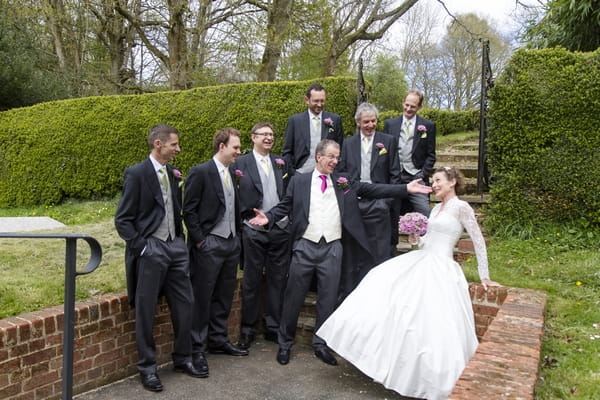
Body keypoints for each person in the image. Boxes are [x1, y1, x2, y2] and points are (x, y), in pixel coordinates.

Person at [316, 166, 500, 400]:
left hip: (442, 267)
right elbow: (426, 243)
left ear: (452, 182)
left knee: (432, 320)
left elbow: (478, 240)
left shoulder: (461, 207)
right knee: (380, 281)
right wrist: (415, 237)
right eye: (433, 181)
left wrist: (484, 275)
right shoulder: (434, 210)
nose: (434, 185)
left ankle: (434, 376)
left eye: (438, 180)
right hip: (423, 259)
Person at [248, 139, 432, 367]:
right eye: (331, 157)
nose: (335, 161)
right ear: (318, 156)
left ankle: (320, 344)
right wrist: (269, 217)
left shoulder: (343, 182)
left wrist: (405, 189)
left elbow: (373, 189)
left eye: (337, 157)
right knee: (293, 297)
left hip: (333, 248)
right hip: (305, 246)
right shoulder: (299, 181)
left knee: (327, 299)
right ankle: (285, 343)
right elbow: (285, 205)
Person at [114, 124, 204, 392]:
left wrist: (179, 240)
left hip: (175, 247)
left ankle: (183, 358)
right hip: (151, 249)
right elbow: (123, 220)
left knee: (185, 305)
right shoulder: (137, 173)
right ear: (158, 144)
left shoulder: (171, 172)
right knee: (145, 310)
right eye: (174, 144)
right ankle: (147, 367)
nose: (178, 149)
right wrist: (143, 247)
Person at [183, 127, 248, 377]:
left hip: (231, 244)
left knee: (224, 295)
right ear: (222, 146)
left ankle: (219, 340)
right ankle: (196, 348)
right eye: (235, 148)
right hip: (210, 245)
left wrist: (237, 239)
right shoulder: (200, 172)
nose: (238, 153)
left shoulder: (232, 172)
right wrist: (201, 242)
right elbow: (189, 210)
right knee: (202, 297)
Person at [233, 122, 291, 349]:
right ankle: (248, 330)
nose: (269, 138)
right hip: (253, 230)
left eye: (271, 134)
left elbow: (289, 194)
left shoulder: (282, 163)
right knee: (251, 280)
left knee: (278, 280)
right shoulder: (240, 163)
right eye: (264, 134)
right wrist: (242, 223)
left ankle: (273, 327)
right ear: (253, 137)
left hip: (280, 229)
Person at [337, 102, 401, 292]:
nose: (370, 125)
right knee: (355, 250)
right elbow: (341, 173)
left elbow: (395, 174)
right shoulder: (347, 144)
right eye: (366, 122)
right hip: (354, 202)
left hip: (379, 203)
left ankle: (378, 289)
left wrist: (386, 201)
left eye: (373, 121)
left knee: (379, 250)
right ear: (358, 122)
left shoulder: (388, 141)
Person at [383, 90, 436, 252]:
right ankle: (390, 249)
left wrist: (421, 174)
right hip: (395, 177)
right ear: (402, 102)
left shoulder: (427, 126)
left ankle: (428, 249)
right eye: (406, 105)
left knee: (426, 212)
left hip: (416, 177)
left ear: (419, 107)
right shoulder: (390, 124)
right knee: (391, 213)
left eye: (413, 106)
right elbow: (384, 151)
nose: (408, 109)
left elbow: (431, 156)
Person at [282, 83, 343, 174]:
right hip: (301, 173)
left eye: (322, 101)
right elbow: (287, 151)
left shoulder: (335, 120)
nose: (319, 104)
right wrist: (292, 173)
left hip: (327, 174)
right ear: (307, 100)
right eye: (316, 101)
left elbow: (340, 150)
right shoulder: (295, 121)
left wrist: (335, 172)